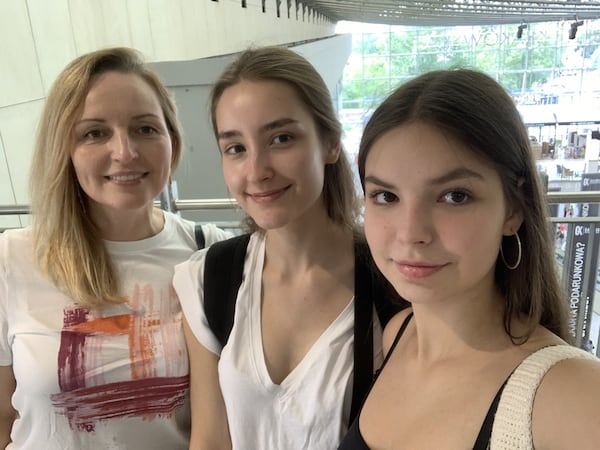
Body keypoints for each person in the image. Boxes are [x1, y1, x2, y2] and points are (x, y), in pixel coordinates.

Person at [337, 69, 600, 450]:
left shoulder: (571, 395)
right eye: (386, 197)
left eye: (454, 196)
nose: (411, 233)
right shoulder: (398, 333)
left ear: (513, 209)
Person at [172, 46, 406, 450]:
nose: (257, 170)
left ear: (330, 143)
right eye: (236, 148)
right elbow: (211, 438)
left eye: (281, 139)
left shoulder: (394, 282)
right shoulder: (209, 280)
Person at [0, 47, 231, 449]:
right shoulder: (10, 259)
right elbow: (2, 413)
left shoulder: (209, 254)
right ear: (64, 149)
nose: (125, 152)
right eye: (94, 133)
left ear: (172, 140)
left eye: (145, 128)